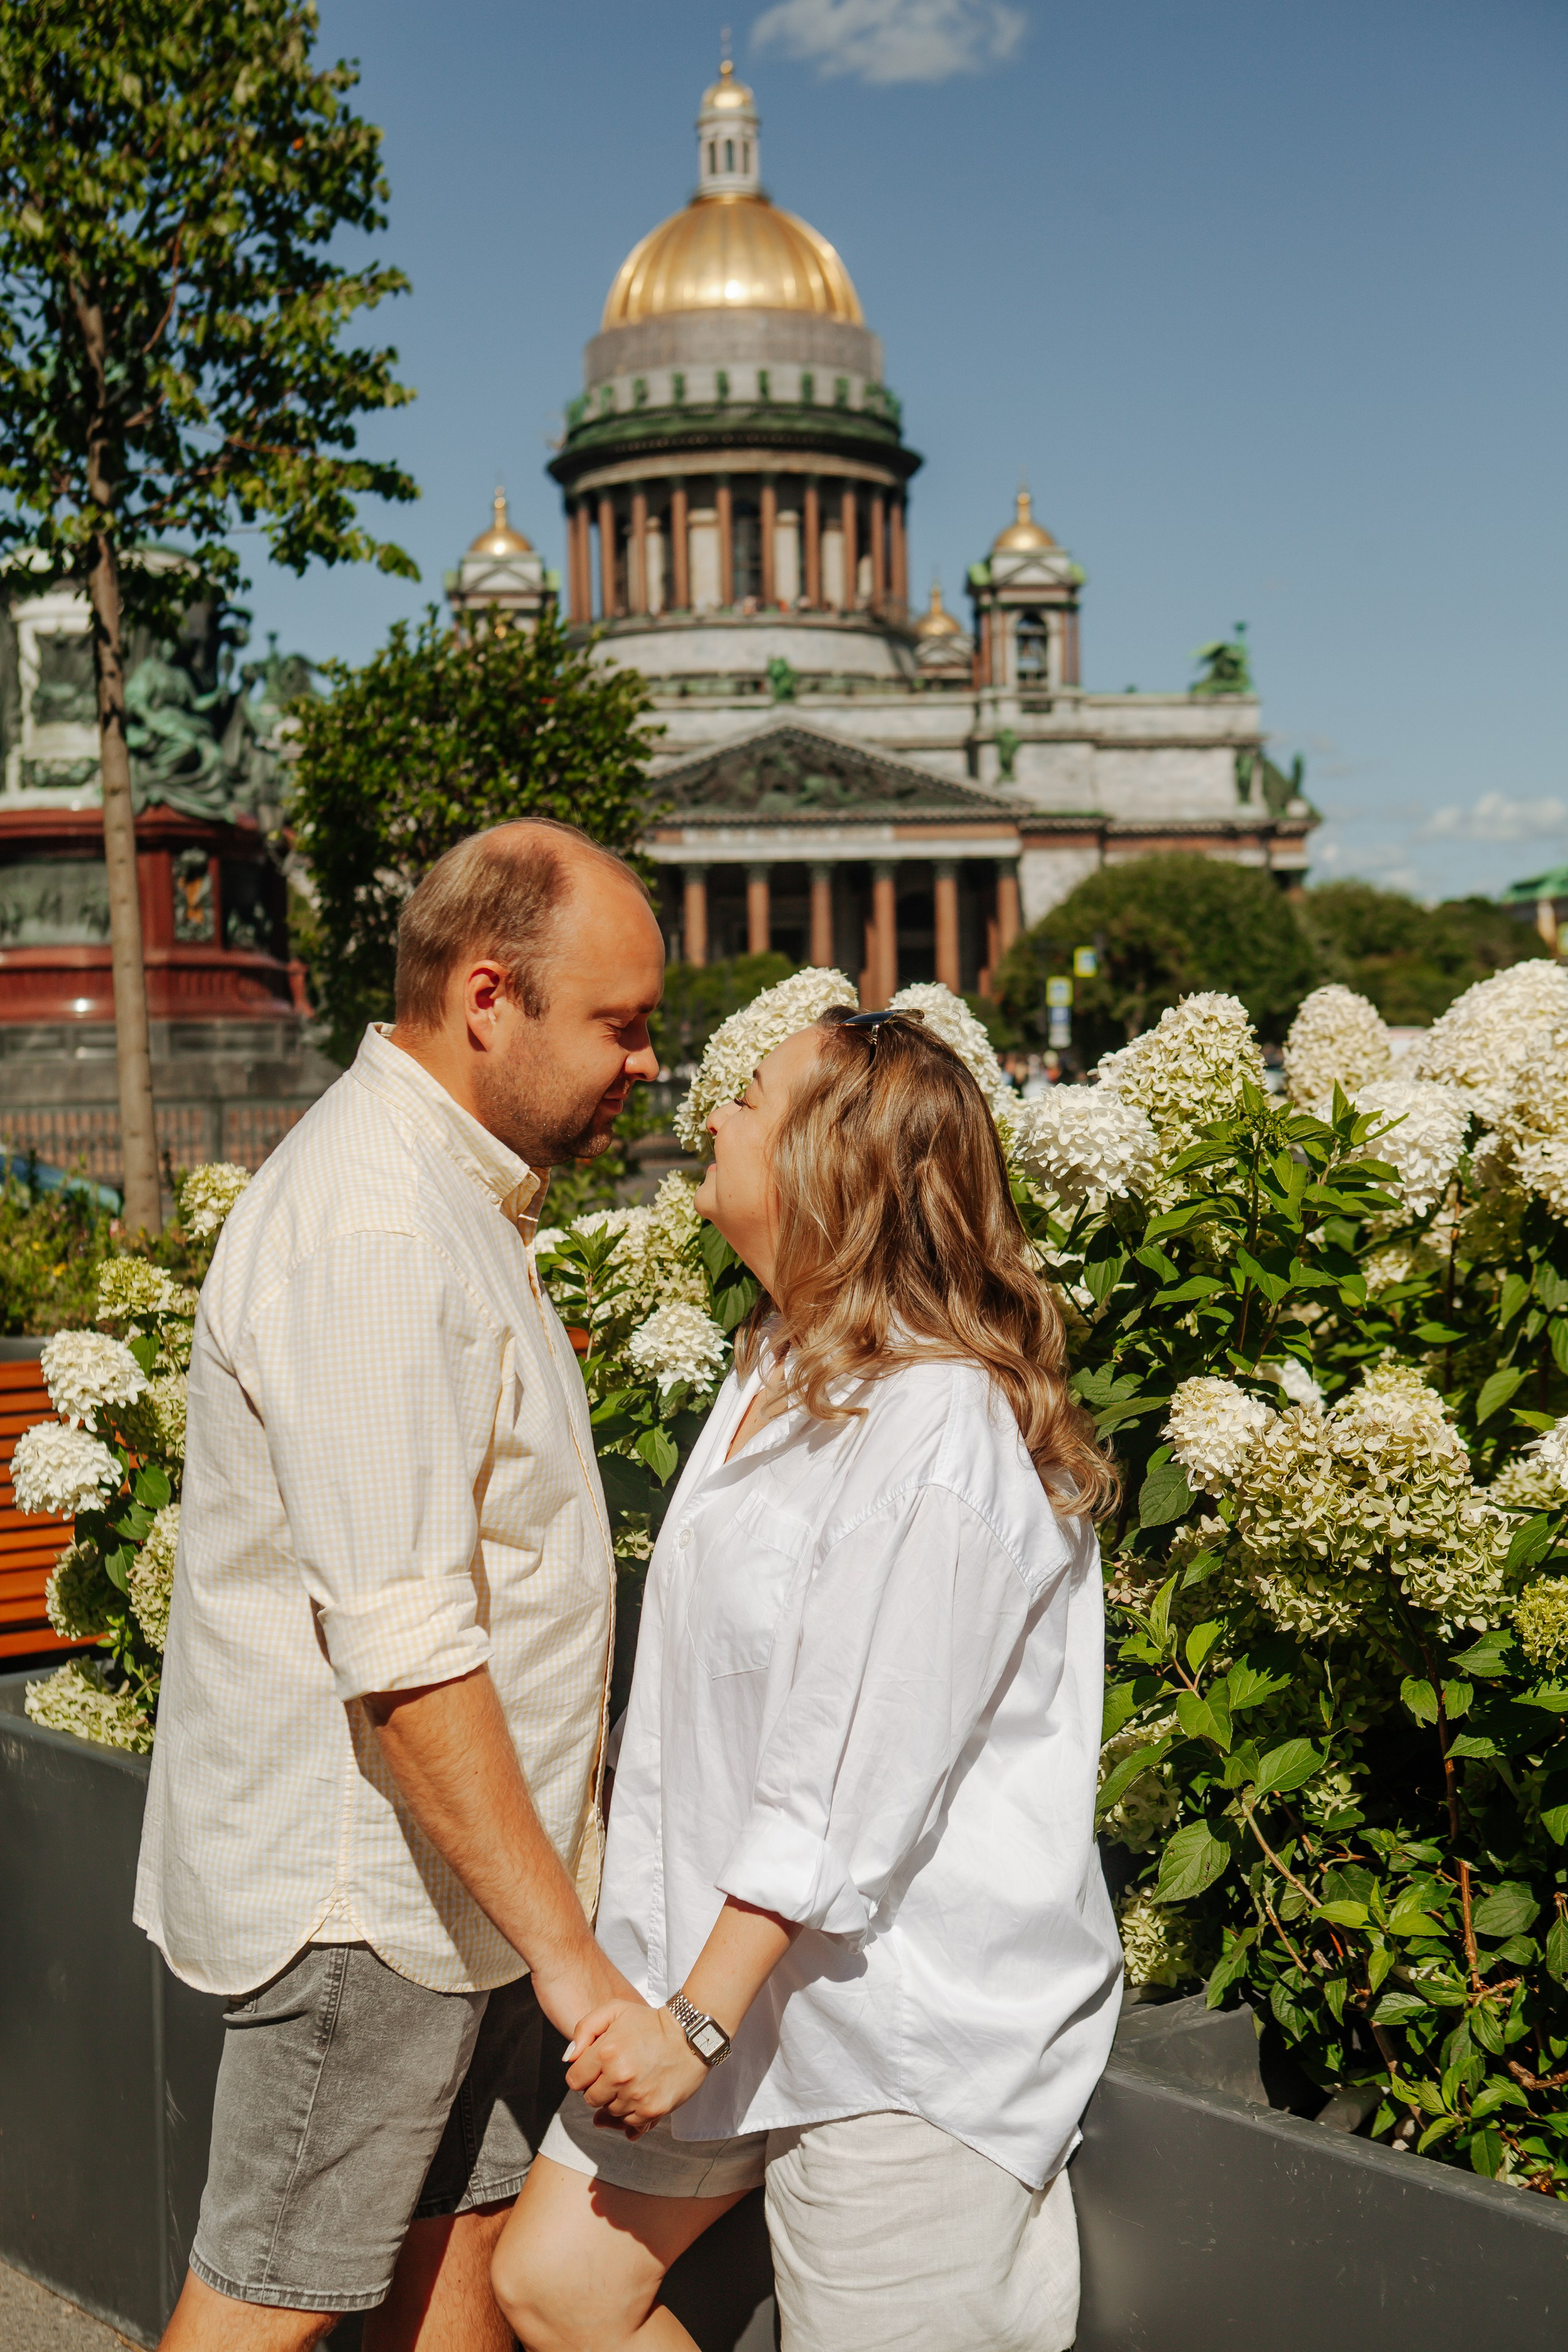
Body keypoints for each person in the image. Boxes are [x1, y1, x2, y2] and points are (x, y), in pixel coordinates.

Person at [492, 1008, 1125, 2352]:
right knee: (551, 2281)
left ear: (829, 1166)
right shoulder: (775, 1362)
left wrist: (695, 2026)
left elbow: (850, 1774)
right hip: (733, 1988)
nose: (711, 1113)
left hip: (892, 2031)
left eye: (753, 1097)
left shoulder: (937, 1423)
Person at [136, 820, 665, 2352]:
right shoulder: (374, 1224)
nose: (646, 1064)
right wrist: (575, 1971)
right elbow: (406, 1651)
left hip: (465, 1891)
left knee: (455, 2276)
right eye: (617, 1026)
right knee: (260, 2315)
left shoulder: (445, 1190)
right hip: (374, 1901)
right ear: (488, 996)